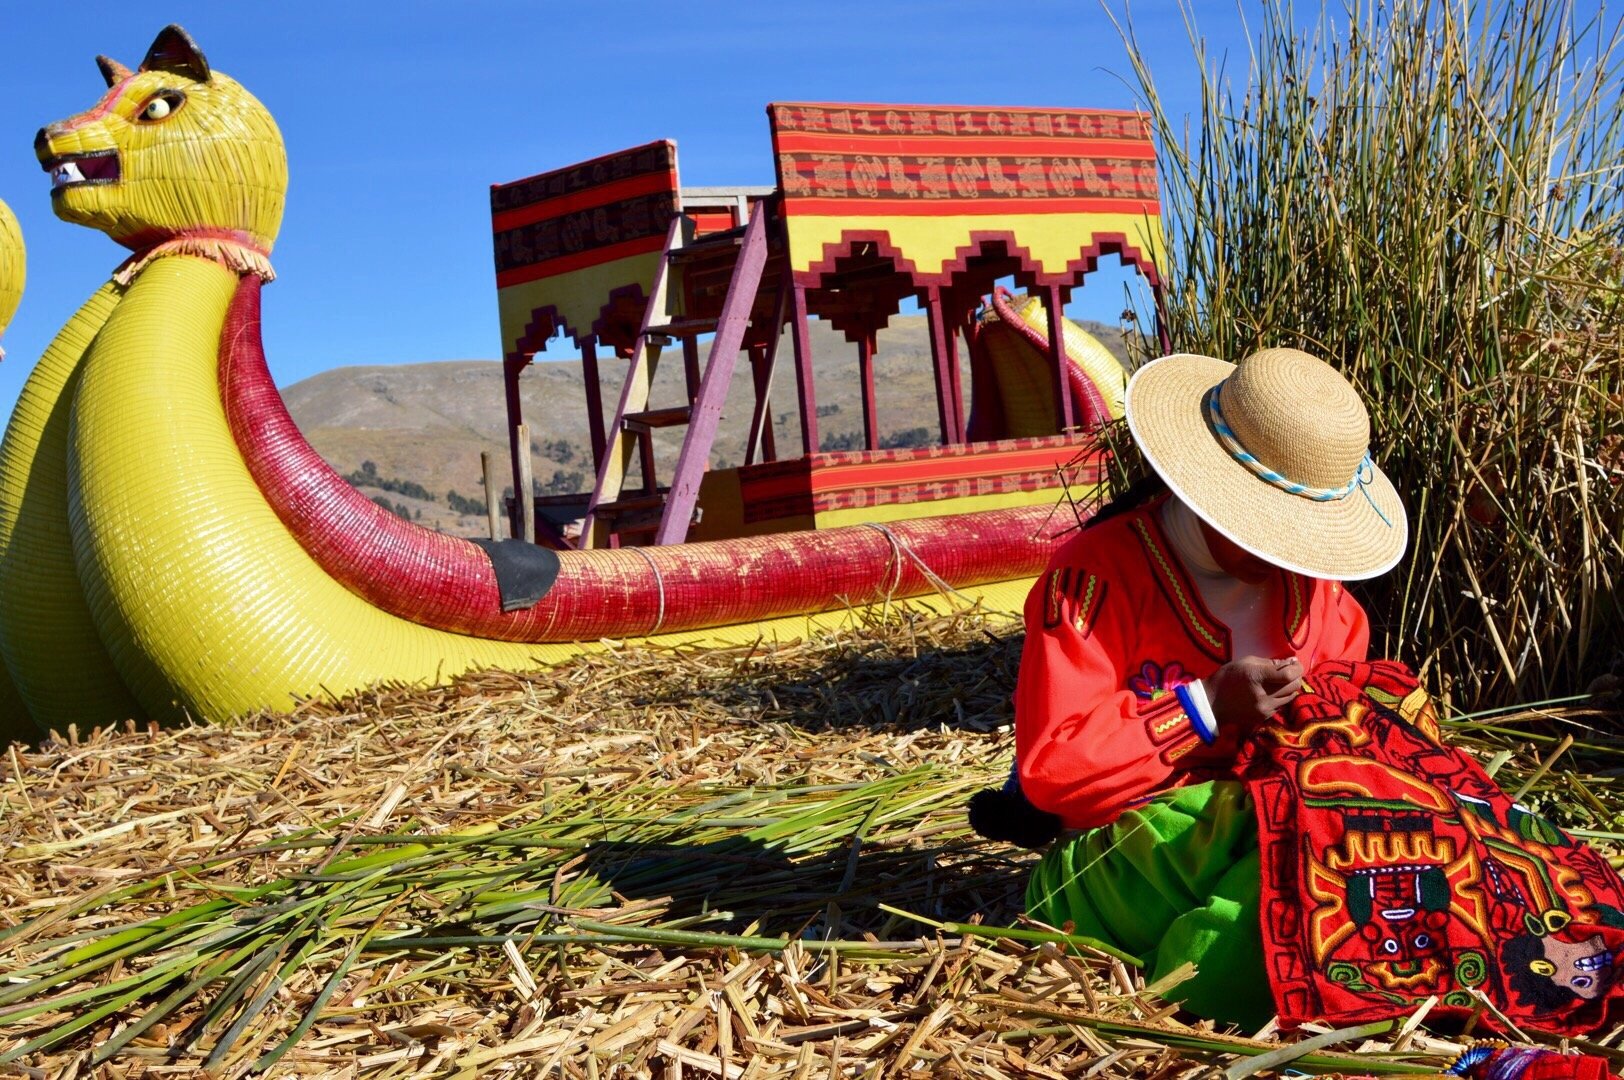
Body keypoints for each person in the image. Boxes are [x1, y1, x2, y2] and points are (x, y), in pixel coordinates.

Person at [984, 346, 1408, 1027]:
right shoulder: (1093, 582)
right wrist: (1205, 708)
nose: (1289, 552)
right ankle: (1208, 993)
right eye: (1273, 527)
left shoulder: (1328, 603)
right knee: (1270, 838)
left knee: (1350, 830)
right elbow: (1052, 773)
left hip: (1270, 846)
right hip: (1111, 867)